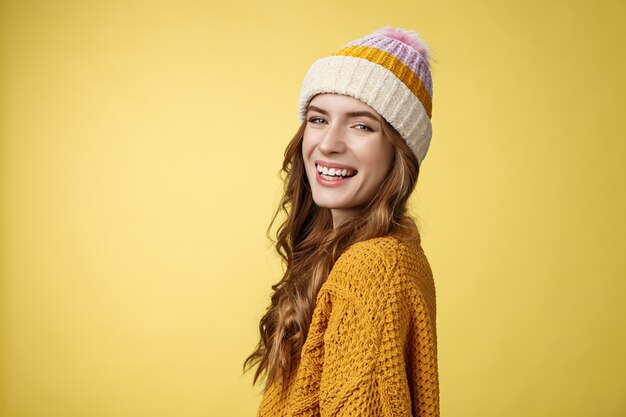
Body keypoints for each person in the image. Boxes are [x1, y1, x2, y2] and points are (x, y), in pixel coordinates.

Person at [243, 25, 440, 416]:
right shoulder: (378, 254)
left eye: (361, 125)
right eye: (318, 119)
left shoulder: (373, 270)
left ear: (399, 150)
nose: (329, 143)